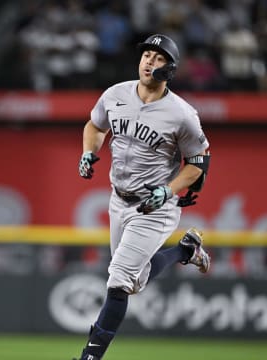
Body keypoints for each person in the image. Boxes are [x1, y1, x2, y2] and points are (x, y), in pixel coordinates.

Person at [75, 34, 211, 360]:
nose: (149, 61)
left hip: (155, 206)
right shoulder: (115, 94)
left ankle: (91, 356)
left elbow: (198, 164)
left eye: (158, 57)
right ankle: (184, 250)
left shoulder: (182, 114)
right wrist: (88, 152)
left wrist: (169, 190)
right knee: (133, 282)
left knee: (119, 281)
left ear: (170, 69)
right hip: (118, 200)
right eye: (147, 54)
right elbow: (94, 127)